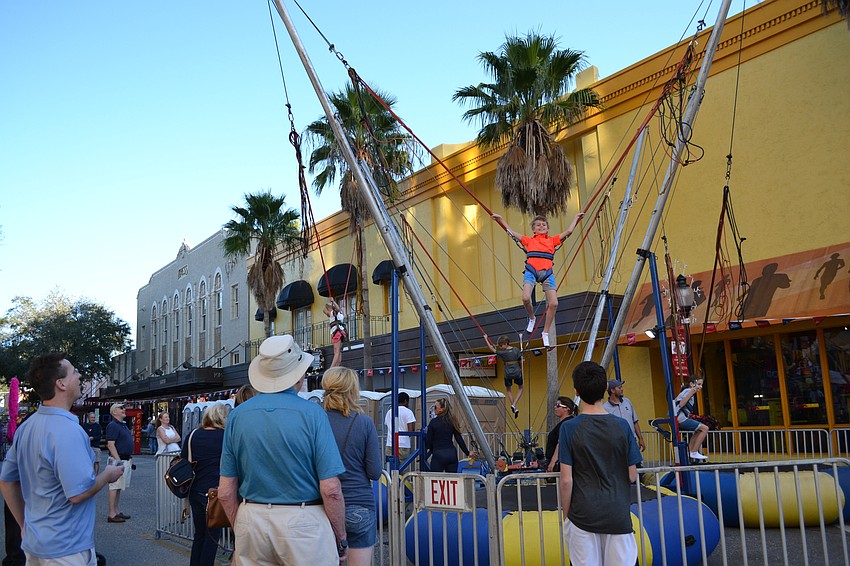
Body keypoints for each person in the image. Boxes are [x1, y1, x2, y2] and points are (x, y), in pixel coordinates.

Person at [218, 335, 348, 565]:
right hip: (303, 520)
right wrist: (341, 537)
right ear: (297, 375)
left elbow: (226, 492)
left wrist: (243, 525)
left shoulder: (237, 416)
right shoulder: (313, 414)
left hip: (252, 516)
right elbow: (331, 490)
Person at [0, 353, 125, 564]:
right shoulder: (68, 430)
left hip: (35, 545)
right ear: (61, 384)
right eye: (74, 372)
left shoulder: (26, 427)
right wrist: (107, 475)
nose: (79, 376)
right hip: (66, 549)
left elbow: (6, 481)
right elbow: (78, 493)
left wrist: (24, 526)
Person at [559, 361, 642, 565]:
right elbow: (632, 475)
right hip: (617, 513)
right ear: (605, 387)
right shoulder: (622, 426)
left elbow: (566, 480)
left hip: (583, 515)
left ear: (576, 391)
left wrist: (566, 516)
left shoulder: (569, 428)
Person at [490, 211, 584, 347]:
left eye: (544, 225)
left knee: (554, 303)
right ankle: (532, 318)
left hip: (547, 273)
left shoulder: (552, 240)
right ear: (533, 229)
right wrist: (500, 220)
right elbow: (511, 233)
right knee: (525, 298)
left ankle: (545, 332)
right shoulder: (529, 240)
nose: (541, 227)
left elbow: (569, 231)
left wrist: (576, 218)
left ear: (548, 228)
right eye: (538, 225)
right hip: (531, 272)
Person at [322, 367, 382, 566]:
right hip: (359, 505)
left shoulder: (315, 421)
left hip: (322, 507)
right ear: (352, 390)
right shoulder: (363, 422)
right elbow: (375, 472)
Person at [182, 402, 230, 566]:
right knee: (212, 537)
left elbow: (184, 459)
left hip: (195, 490)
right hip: (215, 492)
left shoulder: (193, 434)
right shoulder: (225, 436)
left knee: (200, 534)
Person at [425, 397, 476, 473]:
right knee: (452, 478)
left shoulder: (433, 422)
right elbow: (459, 439)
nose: (434, 409)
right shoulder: (452, 421)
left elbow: (429, 441)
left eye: (435, 407)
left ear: (442, 409)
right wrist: (467, 452)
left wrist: (431, 449)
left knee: (435, 478)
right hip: (451, 454)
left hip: (438, 454)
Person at [105, 402, 134, 523]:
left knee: (119, 487)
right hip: (117, 460)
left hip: (124, 459)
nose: (124, 409)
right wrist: (118, 461)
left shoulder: (122, 425)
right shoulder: (113, 425)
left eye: (124, 408)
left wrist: (129, 456)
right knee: (114, 486)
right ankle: (111, 514)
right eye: (121, 408)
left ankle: (116, 511)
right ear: (114, 411)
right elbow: (111, 445)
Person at [485, 334, 524, 418]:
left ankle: (514, 406)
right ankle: (514, 404)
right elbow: (520, 360)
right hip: (517, 371)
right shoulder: (516, 350)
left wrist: (486, 339)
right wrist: (520, 368)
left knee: (508, 390)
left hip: (507, 373)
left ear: (506, 343)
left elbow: (491, 349)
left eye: (501, 345)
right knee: (521, 388)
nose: (501, 347)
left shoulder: (503, 353)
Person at [603, 379, 646, 453]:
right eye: (619, 388)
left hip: (632, 441)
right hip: (617, 444)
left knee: (636, 460)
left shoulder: (627, 402)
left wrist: (640, 438)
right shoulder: (605, 408)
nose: (622, 389)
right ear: (612, 390)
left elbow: (635, 421)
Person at [675, 375, 710, 461]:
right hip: (681, 418)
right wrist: (691, 392)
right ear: (691, 384)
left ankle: (691, 452)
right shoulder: (688, 391)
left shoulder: (685, 391)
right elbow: (681, 404)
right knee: (705, 428)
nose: (700, 387)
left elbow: (676, 400)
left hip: (680, 417)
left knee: (699, 430)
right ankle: (694, 451)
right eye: (698, 384)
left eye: (701, 384)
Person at [545, 396, 576, 473]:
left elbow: (561, 443)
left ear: (567, 408)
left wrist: (553, 462)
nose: (555, 407)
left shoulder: (567, 424)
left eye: (558, 405)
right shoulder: (564, 423)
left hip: (560, 463)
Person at [384, 392, 417, 464]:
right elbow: (411, 430)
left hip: (390, 444)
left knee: (391, 467)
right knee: (403, 467)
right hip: (404, 444)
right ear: (405, 401)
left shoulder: (389, 412)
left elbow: (387, 425)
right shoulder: (408, 412)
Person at [324, 299, 347, 368]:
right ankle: (337, 366)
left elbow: (338, 309)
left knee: (336, 352)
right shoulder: (338, 314)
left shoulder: (333, 314)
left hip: (337, 333)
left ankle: (332, 368)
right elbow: (345, 318)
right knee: (339, 351)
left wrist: (333, 301)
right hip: (342, 332)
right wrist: (344, 310)